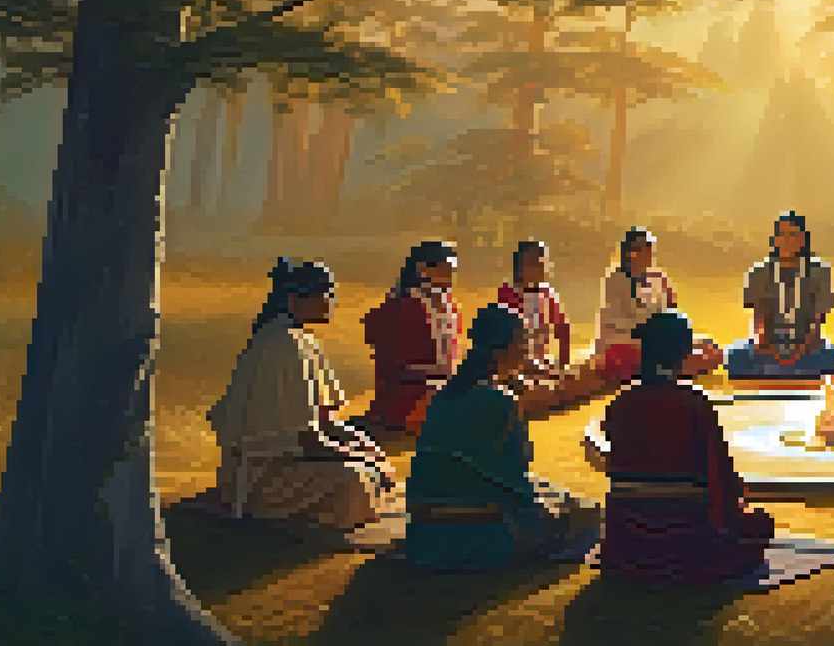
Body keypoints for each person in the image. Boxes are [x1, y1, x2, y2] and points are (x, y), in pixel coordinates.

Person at [405, 304, 603, 571]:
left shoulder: (444, 394)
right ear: (504, 349)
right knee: (584, 512)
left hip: (424, 529)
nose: (527, 351)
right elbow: (519, 473)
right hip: (480, 532)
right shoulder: (500, 400)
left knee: (553, 493)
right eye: (523, 343)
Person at [208, 259, 398, 531]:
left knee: (370, 469)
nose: (331, 301)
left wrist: (367, 446)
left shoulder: (302, 341)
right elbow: (309, 439)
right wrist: (360, 457)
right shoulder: (282, 345)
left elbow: (325, 419)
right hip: (264, 477)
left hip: (295, 460)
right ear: (295, 299)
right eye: (326, 294)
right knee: (355, 480)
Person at [599, 311, 776, 584]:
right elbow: (720, 475)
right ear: (683, 354)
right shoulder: (694, 403)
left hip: (626, 544)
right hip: (687, 544)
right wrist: (738, 505)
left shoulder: (620, 402)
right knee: (759, 523)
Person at [725, 212, 834, 378]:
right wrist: (771, 350)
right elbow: (759, 321)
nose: (787, 241)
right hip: (768, 345)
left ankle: (787, 374)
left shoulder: (819, 272)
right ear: (775, 239)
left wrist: (797, 353)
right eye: (782, 235)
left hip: (808, 346)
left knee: (833, 358)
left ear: (802, 240)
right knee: (735, 356)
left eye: (793, 235)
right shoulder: (759, 272)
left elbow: (817, 323)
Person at [593, 228, 721, 386]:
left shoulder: (657, 277)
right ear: (629, 252)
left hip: (657, 336)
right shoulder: (617, 279)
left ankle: (672, 367)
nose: (646, 254)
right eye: (641, 249)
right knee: (685, 352)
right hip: (627, 338)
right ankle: (668, 369)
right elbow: (637, 319)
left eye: (648, 248)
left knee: (711, 348)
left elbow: (671, 308)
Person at [362, 240, 461, 434]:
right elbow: (395, 368)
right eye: (444, 268)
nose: (450, 274)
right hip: (407, 395)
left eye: (452, 268)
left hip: (437, 387)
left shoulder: (450, 306)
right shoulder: (402, 305)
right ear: (423, 270)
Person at [498, 240, 603, 409]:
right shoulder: (507, 294)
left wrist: (562, 367)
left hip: (543, 364)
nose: (539, 268)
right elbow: (505, 342)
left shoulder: (548, 294)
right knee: (540, 392)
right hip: (516, 368)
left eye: (542, 263)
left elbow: (563, 330)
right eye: (533, 263)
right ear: (520, 266)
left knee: (586, 375)